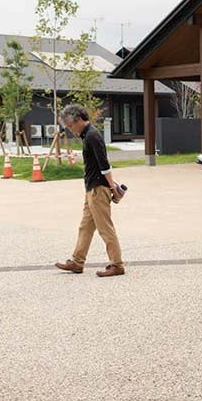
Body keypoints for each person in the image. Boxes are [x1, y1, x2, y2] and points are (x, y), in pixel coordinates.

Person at [54, 104, 126, 278]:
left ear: (78, 119)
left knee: (105, 228)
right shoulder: (88, 135)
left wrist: (112, 188)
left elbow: (104, 164)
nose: (71, 130)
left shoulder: (93, 136)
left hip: (98, 189)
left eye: (71, 126)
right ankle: (77, 262)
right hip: (91, 188)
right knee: (85, 227)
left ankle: (117, 264)